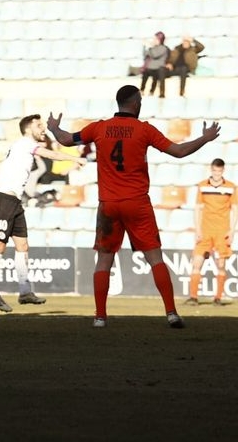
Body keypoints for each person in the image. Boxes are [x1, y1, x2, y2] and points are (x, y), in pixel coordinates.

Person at [47, 85, 221, 328]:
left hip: (108, 204)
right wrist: (205, 137)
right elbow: (179, 152)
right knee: (154, 258)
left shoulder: (99, 127)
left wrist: (54, 127)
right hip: (137, 203)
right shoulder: (144, 129)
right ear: (136, 103)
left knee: (104, 260)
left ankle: (99, 317)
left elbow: (66, 139)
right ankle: (171, 312)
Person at [0, 115, 86, 312]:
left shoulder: (24, 146)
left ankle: (24, 291)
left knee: (22, 245)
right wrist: (74, 158)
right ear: (28, 128)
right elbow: (50, 154)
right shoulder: (25, 143)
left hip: (14, 200)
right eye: (39, 125)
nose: (43, 129)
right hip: (2, 198)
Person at [185, 159, 238, 306]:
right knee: (197, 262)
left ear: (223, 171)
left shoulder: (231, 187)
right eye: (214, 171)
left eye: (219, 171)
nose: (216, 174)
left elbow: (235, 209)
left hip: (222, 231)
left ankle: (218, 298)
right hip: (205, 230)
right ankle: (193, 297)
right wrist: (198, 229)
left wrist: (232, 230)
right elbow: (198, 208)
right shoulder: (202, 186)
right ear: (211, 169)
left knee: (221, 264)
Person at [139, 31, 169, 97]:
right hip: (151, 68)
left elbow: (154, 55)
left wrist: (150, 47)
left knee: (156, 76)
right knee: (145, 73)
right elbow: (145, 54)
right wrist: (145, 46)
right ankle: (142, 89)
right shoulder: (152, 48)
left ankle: (152, 91)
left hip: (158, 68)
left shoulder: (163, 48)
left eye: (156, 39)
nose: (154, 40)